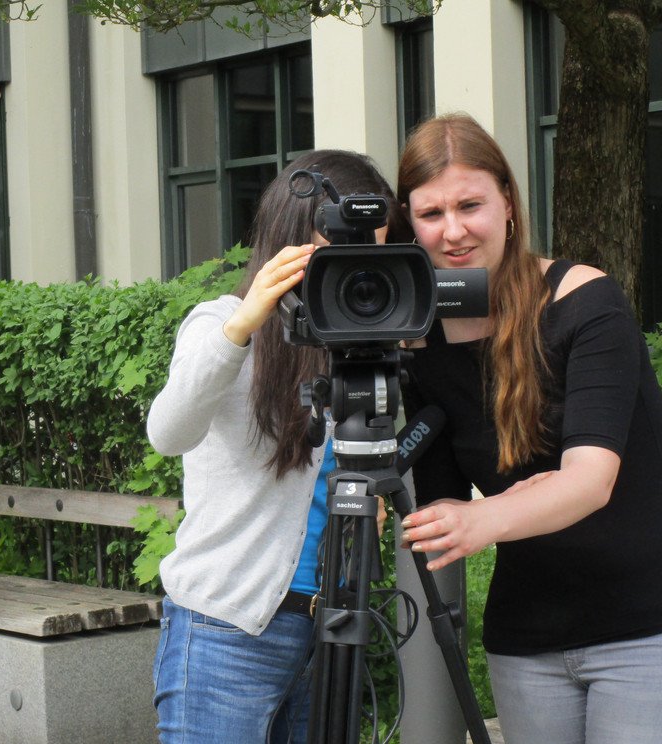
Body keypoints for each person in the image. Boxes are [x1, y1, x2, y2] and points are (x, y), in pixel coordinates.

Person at [396, 113, 662, 743]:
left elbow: (590, 482)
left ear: (508, 203)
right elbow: (441, 502)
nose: (453, 231)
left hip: (642, 628)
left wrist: (482, 522)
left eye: (470, 205)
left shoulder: (585, 301)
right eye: (431, 214)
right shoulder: (421, 339)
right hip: (526, 641)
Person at [146, 150, 403, 744]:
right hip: (225, 627)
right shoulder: (220, 324)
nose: (356, 271)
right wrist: (244, 328)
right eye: (337, 255)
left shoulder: (363, 336)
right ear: (289, 239)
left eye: (373, 253)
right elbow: (168, 433)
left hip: (328, 628)